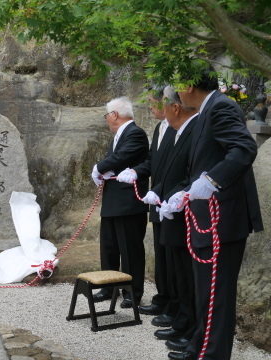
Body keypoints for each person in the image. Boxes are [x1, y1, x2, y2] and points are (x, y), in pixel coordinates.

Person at [163, 66, 263, 360]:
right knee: (206, 293)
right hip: (207, 217)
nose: (179, 93)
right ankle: (199, 349)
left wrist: (212, 181)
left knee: (216, 296)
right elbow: (202, 164)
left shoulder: (221, 107)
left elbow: (244, 148)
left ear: (189, 86)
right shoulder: (209, 110)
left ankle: (212, 355)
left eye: (179, 85)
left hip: (222, 219)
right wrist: (184, 193)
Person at [117, 87, 178, 326]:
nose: (150, 107)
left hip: (171, 197)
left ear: (168, 103)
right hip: (156, 198)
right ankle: (162, 297)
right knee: (160, 250)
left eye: (153, 102)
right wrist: (136, 171)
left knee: (172, 254)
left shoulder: (177, 128)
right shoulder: (159, 128)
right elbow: (152, 161)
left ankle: (175, 303)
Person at [148, 86, 198, 352]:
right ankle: (183, 321)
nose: (161, 112)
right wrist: (157, 191)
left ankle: (190, 325)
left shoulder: (193, 129)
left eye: (162, 106)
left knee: (188, 276)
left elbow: (192, 171)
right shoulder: (174, 130)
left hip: (187, 215)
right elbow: (166, 170)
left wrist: (180, 195)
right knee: (178, 270)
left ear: (175, 107)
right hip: (169, 208)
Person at [91, 96, 149, 307]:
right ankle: (108, 287)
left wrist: (98, 167)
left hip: (129, 203)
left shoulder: (135, 133)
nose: (107, 119)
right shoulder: (117, 136)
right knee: (109, 247)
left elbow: (121, 157)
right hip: (112, 200)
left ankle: (132, 293)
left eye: (107, 115)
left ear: (115, 115)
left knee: (130, 250)